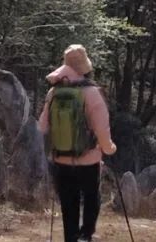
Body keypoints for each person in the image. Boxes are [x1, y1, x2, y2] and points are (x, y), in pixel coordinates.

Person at [38, 44, 117, 242]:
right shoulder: (93, 93)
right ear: (85, 67)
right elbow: (102, 130)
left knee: (68, 204)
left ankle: (71, 238)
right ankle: (86, 235)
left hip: (61, 159)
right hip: (89, 160)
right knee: (91, 197)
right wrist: (109, 149)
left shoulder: (54, 93)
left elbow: (42, 127)